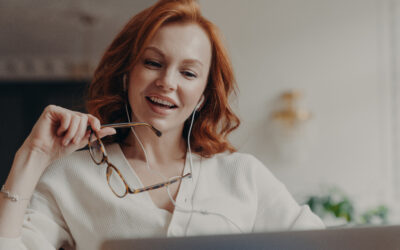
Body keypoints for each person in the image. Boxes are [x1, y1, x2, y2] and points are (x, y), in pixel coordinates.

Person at [0, 0, 324, 249]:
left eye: (188, 73)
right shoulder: (70, 177)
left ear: (202, 96)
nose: (167, 82)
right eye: (153, 63)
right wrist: (35, 154)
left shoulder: (243, 175)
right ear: (127, 75)